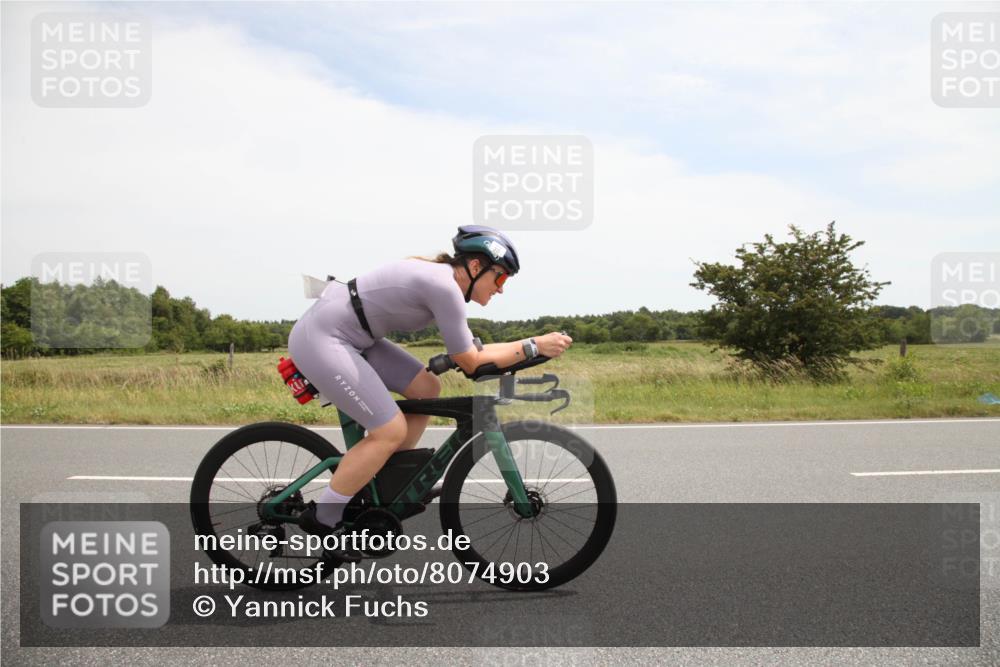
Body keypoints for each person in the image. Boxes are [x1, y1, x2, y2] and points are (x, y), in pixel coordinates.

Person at [288, 225, 573, 547]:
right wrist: (534, 346)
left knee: (426, 388)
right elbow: (471, 364)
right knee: (389, 431)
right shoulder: (445, 287)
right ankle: (324, 518)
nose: (501, 289)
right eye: (501, 278)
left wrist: (531, 343)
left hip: (357, 337)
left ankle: (379, 480)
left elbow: (473, 354)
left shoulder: (444, 283)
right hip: (324, 338)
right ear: (476, 267)